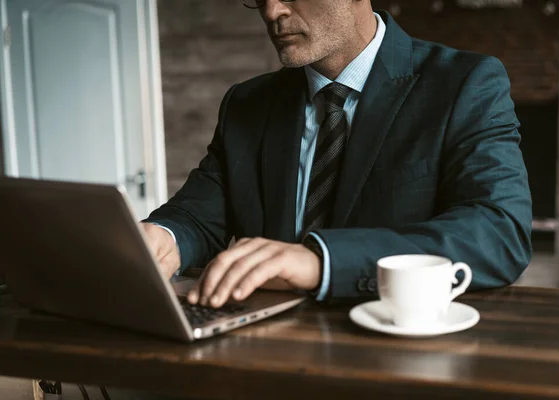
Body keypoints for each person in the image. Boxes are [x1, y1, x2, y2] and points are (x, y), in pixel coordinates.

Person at [141, 0, 532, 307]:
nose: (271, 11)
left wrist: (321, 261)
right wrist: (165, 237)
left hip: (400, 354)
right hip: (261, 351)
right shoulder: (247, 103)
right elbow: (200, 213)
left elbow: (498, 233)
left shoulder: (466, 83)